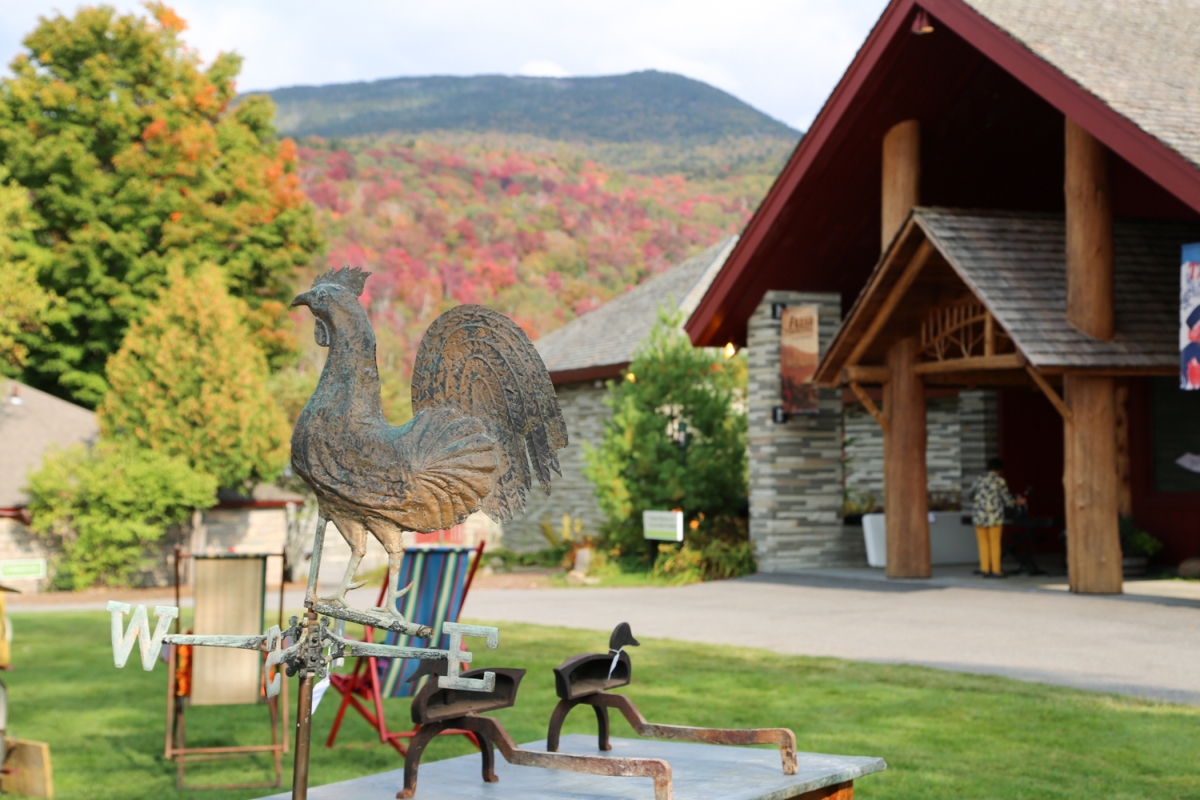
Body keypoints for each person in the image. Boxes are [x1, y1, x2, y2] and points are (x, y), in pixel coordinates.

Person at [968, 457, 1026, 578]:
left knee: (982, 543)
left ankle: (985, 569)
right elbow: (1007, 500)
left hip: (979, 515)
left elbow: (970, 495)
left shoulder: (978, 479)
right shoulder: (1000, 481)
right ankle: (996, 570)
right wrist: (1017, 501)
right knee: (995, 543)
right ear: (999, 469)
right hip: (995, 516)